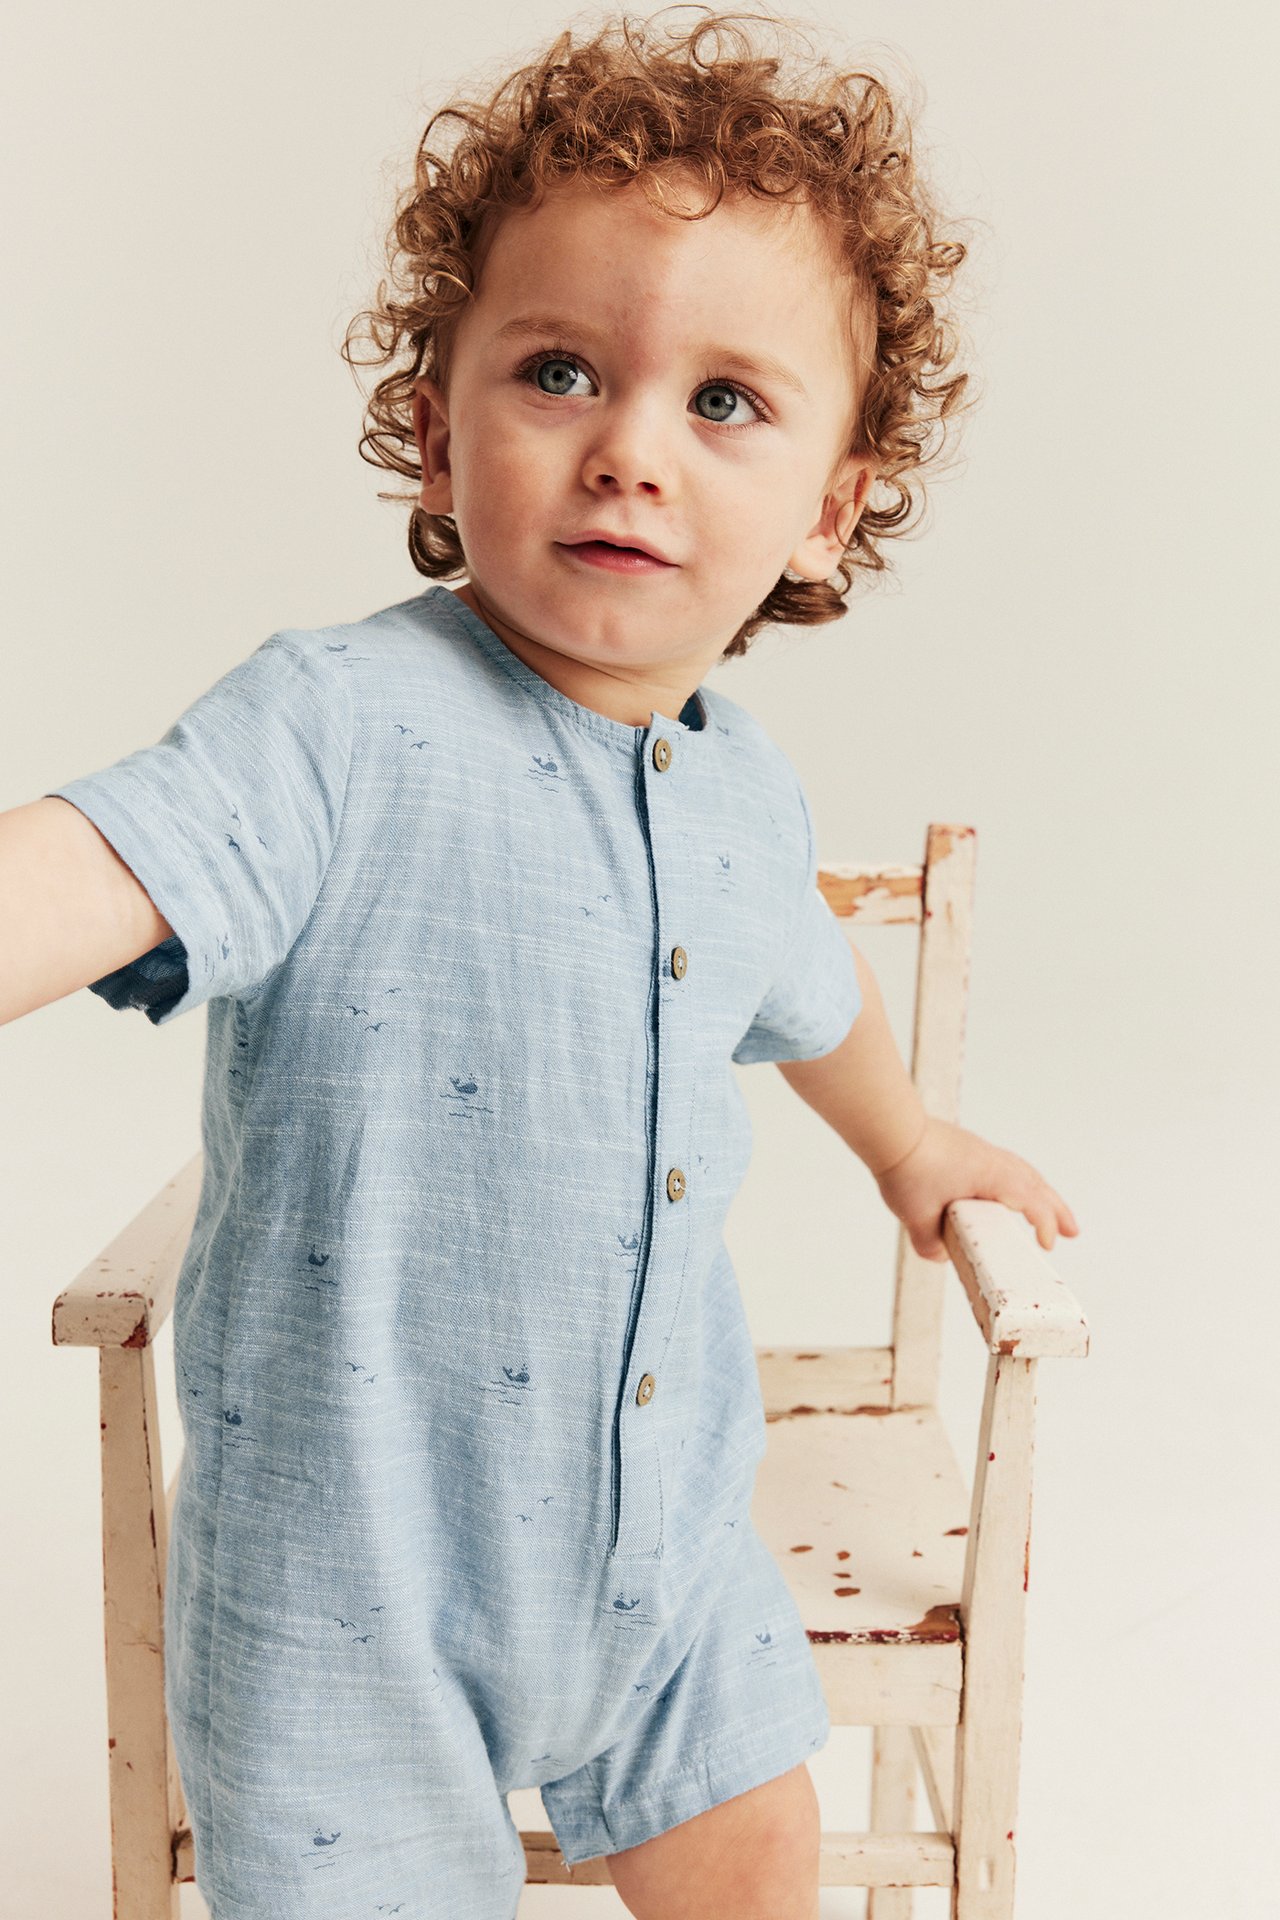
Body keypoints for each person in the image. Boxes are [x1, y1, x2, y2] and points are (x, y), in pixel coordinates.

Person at [1, 9, 1078, 1917]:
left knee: (760, 1857)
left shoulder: (741, 792)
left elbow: (812, 1003)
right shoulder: (336, 723)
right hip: (355, 1584)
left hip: (666, 1555)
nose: (630, 456)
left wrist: (910, 1144)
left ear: (831, 505)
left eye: (726, 402)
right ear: (440, 422)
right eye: (560, 370)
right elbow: (104, 860)